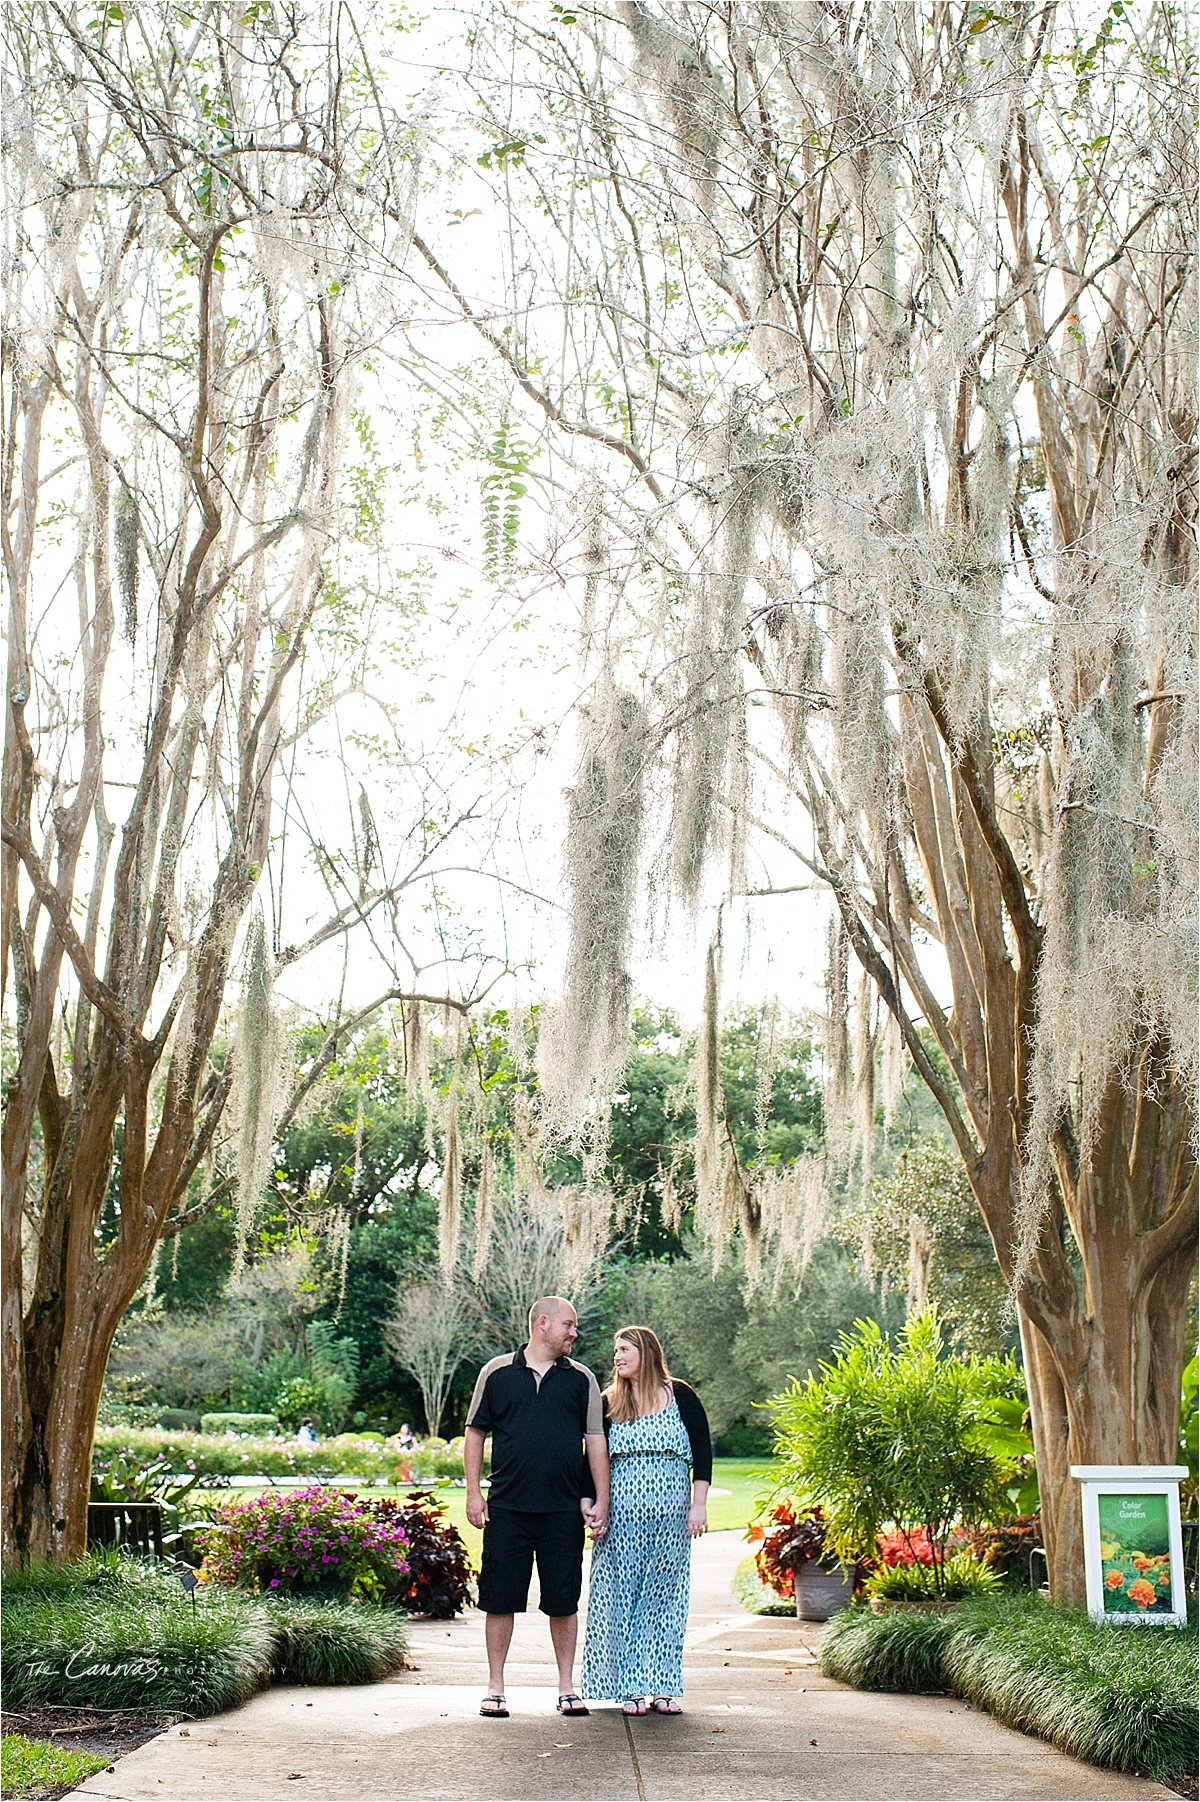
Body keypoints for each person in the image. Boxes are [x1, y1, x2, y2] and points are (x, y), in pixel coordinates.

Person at [464, 1295, 610, 1720]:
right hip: (507, 1508)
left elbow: (595, 1439)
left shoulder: (581, 1379)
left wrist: (602, 1498)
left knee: (563, 1601)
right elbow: (475, 1434)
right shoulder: (496, 1373)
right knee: (500, 1599)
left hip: (563, 1510)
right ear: (542, 1323)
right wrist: (475, 1493)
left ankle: (567, 1687)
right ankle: (495, 1687)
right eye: (568, 1325)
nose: (574, 1333)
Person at [580, 1325, 711, 1716]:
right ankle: (631, 1687)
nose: (617, 1356)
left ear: (646, 1351)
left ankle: (663, 1685)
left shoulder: (681, 1395)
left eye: (624, 1349)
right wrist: (590, 1504)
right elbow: (589, 1462)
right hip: (621, 1520)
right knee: (623, 1598)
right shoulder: (608, 1403)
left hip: (671, 1520)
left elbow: (703, 1453)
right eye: (615, 1351)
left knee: (665, 1598)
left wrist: (698, 1505)